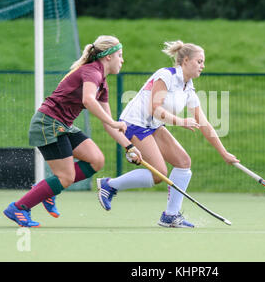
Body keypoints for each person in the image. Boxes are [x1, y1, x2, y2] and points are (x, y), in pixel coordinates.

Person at [97, 40, 239, 228]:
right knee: (159, 174)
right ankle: (110, 185)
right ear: (186, 60)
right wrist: (181, 121)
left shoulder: (188, 88)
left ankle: (170, 215)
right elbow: (154, 108)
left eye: (203, 62)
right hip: (134, 124)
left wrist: (224, 153)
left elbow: (204, 124)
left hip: (153, 126)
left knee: (183, 162)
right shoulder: (166, 76)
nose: (203, 66)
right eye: (199, 61)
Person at [3, 35, 142, 227]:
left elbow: (108, 124)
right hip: (48, 124)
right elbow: (88, 100)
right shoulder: (92, 72)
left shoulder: (102, 83)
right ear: (108, 57)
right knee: (65, 177)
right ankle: (19, 207)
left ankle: (48, 189)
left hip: (63, 125)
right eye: (120, 55)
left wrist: (129, 147)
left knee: (96, 160)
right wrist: (113, 121)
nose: (122, 60)